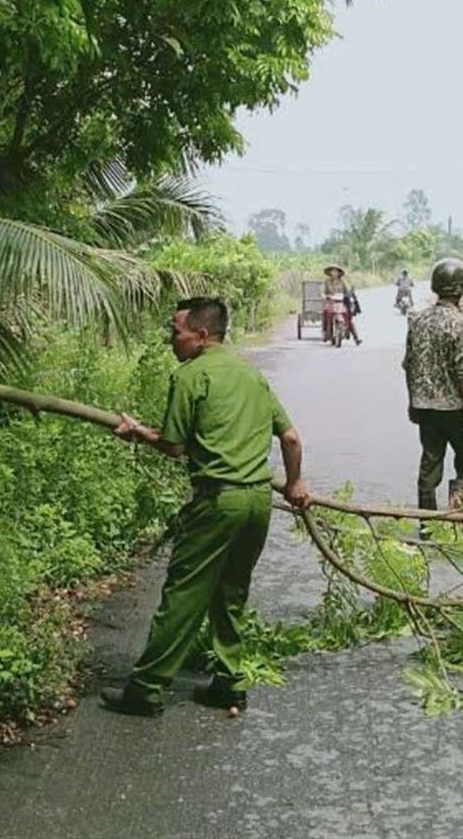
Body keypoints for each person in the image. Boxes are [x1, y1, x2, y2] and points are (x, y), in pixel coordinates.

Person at [100, 297, 309, 717]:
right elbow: (290, 439)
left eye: (175, 332)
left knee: (184, 594)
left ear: (200, 335)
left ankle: (145, 690)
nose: (170, 339)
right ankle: (229, 684)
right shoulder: (251, 375)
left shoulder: (191, 376)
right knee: (231, 592)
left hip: (218, 501)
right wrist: (295, 482)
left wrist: (138, 433)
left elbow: (174, 446)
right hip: (257, 502)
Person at [402, 258, 463, 512]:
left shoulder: (417, 321)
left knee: (430, 462)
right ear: (461, 289)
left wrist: (413, 401)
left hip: (425, 407)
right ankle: (459, 519)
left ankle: (428, 524)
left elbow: (409, 365)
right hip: (454, 409)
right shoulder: (459, 324)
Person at [322, 264, 362, 345]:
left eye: (336, 271)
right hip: (330, 302)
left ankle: (356, 338)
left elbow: (347, 291)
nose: (334, 273)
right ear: (330, 272)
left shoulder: (342, 282)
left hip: (341, 303)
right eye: (332, 271)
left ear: (338, 273)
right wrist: (325, 296)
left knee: (348, 317)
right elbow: (322, 291)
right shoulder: (326, 282)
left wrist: (349, 294)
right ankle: (326, 332)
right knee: (325, 313)